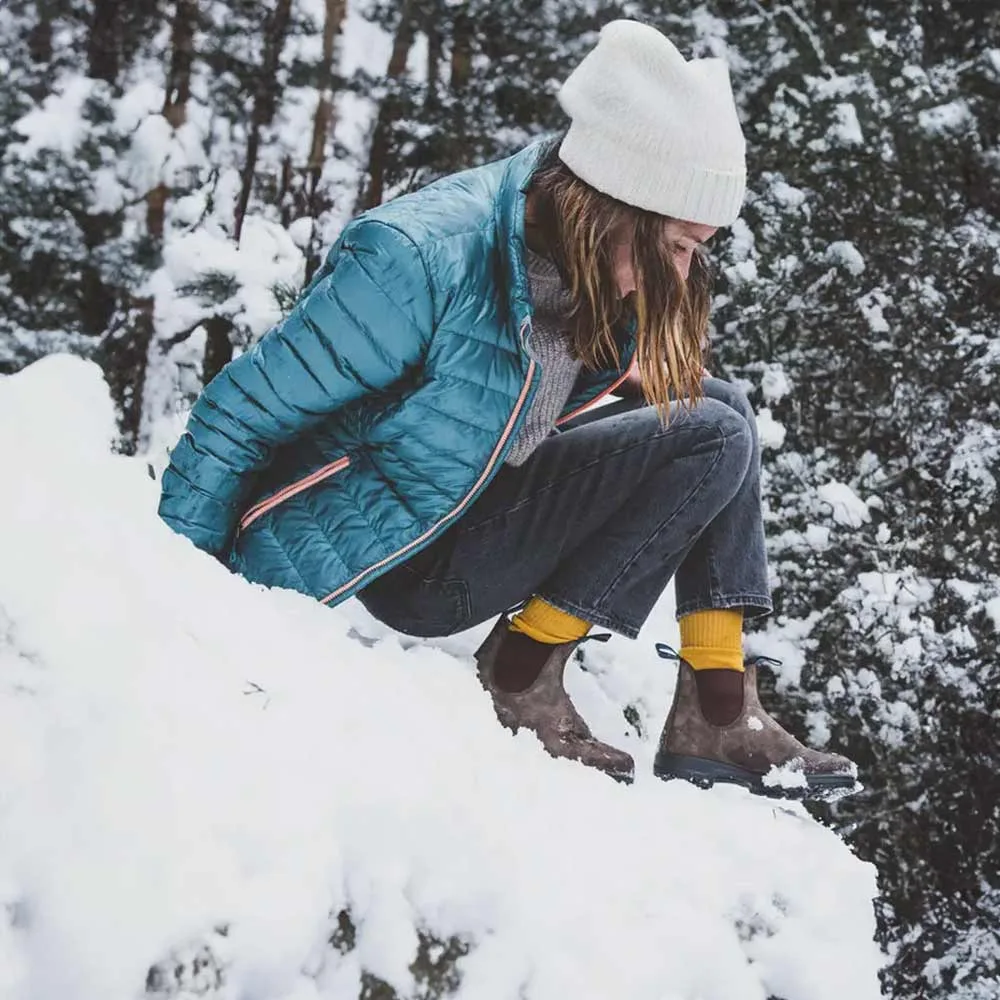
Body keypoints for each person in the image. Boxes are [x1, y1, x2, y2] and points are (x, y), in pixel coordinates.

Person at [159, 20, 856, 796]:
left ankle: (716, 709)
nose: (685, 275)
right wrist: (175, 591)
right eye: (679, 246)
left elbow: (511, 390)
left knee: (719, 404)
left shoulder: (571, 243)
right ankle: (521, 670)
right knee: (711, 435)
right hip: (411, 557)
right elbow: (239, 412)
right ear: (617, 206)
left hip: (474, 495)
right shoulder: (416, 258)